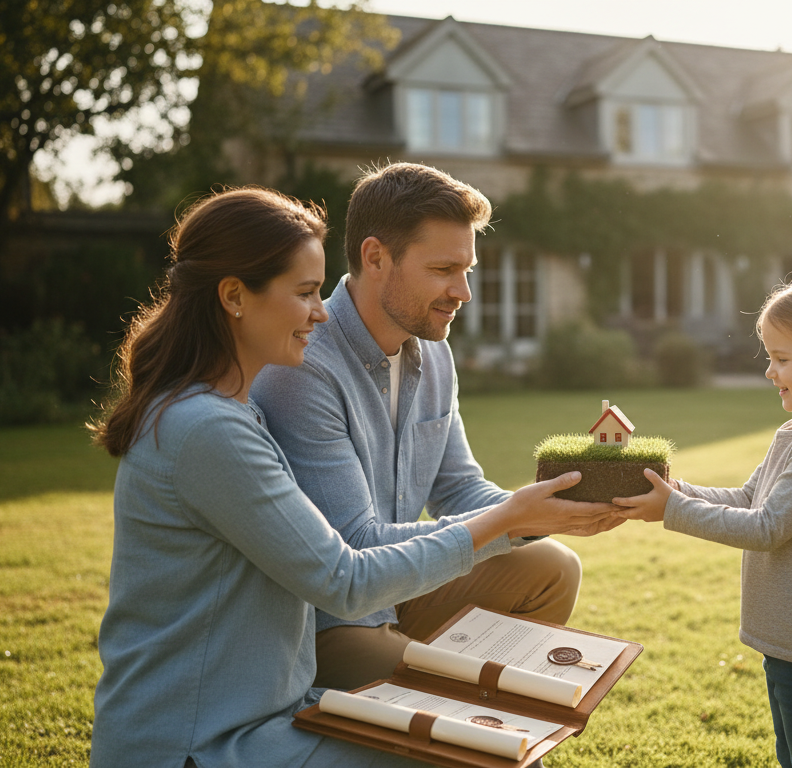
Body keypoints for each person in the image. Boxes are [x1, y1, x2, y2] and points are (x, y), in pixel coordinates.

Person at [87, 187, 612, 768]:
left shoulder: (232, 412)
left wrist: (537, 513)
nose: (319, 310)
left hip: (271, 708)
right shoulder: (213, 428)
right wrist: (509, 519)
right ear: (234, 297)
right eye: (306, 292)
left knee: (492, 740)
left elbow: (444, 497)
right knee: (478, 750)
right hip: (201, 743)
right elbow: (344, 577)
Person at [251, 163, 614, 692]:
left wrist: (548, 509)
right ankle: (460, 702)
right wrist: (512, 517)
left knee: (552, 567)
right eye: (444, 269)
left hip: (403, 586)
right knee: (455, 690)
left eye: (467, 270)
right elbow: (356, 547)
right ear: (376, 258)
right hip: (327, 619)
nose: (463, 292)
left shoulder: (435, 355)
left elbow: (458, 488)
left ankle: (473, 696)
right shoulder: (303, 370)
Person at [613, 269, 792, 768]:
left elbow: (767, 528)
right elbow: (749, 497)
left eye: (782, 359)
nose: (770, 372)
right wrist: (677, 491)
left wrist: (673, 511)